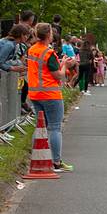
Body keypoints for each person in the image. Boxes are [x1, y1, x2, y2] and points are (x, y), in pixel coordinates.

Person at [26, 23, 72, 172]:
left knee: (40, 127)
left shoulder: (32, 49)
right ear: (48, 35)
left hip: (35, 93)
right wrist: (65, 65)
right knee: (55, 127)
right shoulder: (48, 52)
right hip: (50, 94)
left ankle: (36, 158)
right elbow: (58, 75)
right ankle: (56, 162)